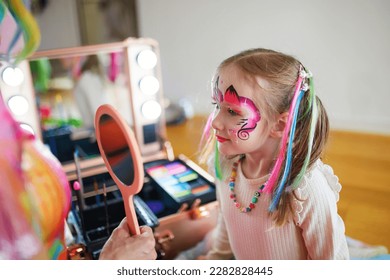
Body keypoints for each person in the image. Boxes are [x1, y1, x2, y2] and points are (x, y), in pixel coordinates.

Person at [198, 48, 349, 260]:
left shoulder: (305, 189)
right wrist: (216, 259)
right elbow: (227, 227)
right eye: (217, 105)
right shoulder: (224, 165)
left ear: (279, 125)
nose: (214, 121)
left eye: (232, 111)